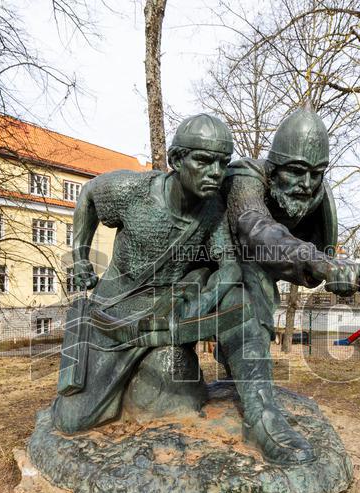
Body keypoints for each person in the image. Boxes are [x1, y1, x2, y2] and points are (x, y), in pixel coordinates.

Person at [215, 108, 360, 464]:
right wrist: (319, 262)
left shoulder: (317, 199)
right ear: (274, 167)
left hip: (240, 274)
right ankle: (262, 415)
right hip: (194, 270)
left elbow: (308, 254)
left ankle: (242, 377)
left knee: (254, 282)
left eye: (316, 173)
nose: (307, 183)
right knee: (251, 283)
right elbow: (255, 229)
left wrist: (335, 273)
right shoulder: (244, 177)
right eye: (296, 171)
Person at [51, 113, 239, 433]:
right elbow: (88, 197)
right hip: (114, 311)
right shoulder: (132, 190)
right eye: (205, 161)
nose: (216, 173)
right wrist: (81, 256)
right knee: (73, 420)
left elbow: (230, 265)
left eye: (223, 163)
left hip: (165, 313)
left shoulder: (213, 210)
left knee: (176, 395)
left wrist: (205, 300)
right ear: (177, 160)